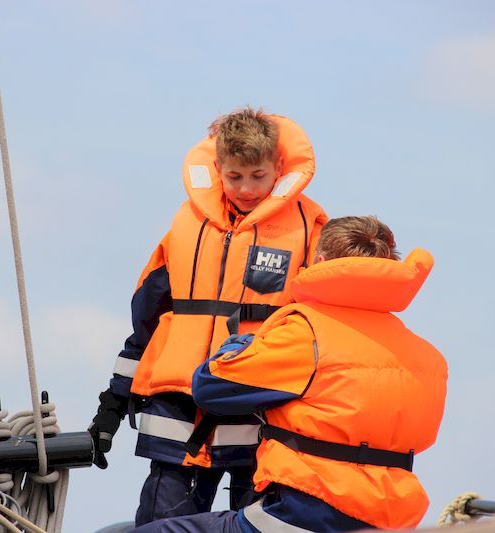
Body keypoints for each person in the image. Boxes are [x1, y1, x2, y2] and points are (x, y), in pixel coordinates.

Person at [132, 215, 448, 532]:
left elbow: (209, 388)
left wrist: (238, 346)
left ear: (320, 262)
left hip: (303, 512)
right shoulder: (426, 355)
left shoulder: (305, 333)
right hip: (390, 519)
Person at [88, 108, 327, 525]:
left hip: (261, 410)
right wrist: (111, 406)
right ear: (218, 169)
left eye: (258, 176)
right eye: (234, 177)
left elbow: (327, 334)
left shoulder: (312, 229)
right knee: (160, 528)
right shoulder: (186, 224)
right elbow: (146, 325)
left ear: (279, 168)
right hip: (178, 412)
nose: (246, 188)